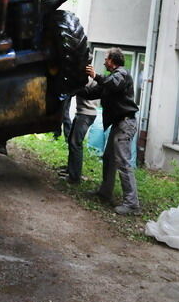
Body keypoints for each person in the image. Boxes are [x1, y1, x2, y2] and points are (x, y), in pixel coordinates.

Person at [83, 47, 140, 215]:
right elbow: (92, 92)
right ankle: (105, 192)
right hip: (118, 124)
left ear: (113, 61)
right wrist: (74, 87)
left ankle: (132, 204)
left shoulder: (122, 74)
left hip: (125, 124)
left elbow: (112, 84)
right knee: (109, 158)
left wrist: (96, 76)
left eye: (106, 59)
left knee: (123, 162)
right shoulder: (110, 79)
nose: (103, 61)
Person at [58, 89, 96, 184]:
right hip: (82, 113)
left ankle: (74, 178)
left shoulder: (87, 79)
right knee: (72, 140)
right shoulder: (88, 78)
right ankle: (70, 170)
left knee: (76, 143)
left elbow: (75, 89)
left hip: (86, 114)